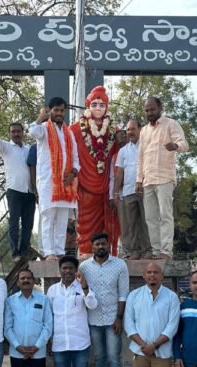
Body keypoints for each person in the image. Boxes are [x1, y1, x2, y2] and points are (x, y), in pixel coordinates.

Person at [47, 255, 97, 367]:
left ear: (76, 271)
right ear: (59, 270)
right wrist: (48, 340)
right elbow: (48, 317)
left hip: (80, 344)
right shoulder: (52, 291)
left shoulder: (83, 288)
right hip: (59, 344)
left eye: (70, 268)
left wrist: (84, 287)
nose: (67, 271)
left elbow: (92, 305)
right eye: (64, 268)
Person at [79, 232, 129, 367]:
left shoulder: (120, 265)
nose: (101, 247)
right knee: (99, 357)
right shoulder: (84, 267)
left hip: (112, 320)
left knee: (114, 358)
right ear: (92, 247)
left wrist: (119, 318)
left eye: (104, 244)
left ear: (109, 245)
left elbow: (123, 295)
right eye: (97, 244)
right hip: (93, 321)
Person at [135, 97, 189, 260]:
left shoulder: (171, 124)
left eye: (152, 109)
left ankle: (166, 251)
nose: (149, 113)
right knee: (150, 217)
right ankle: (156, 251)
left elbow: (185, 145)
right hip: (148, 179)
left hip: (165, 177)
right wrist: (139, 179)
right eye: (147, 110)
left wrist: (176, 146)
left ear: (160, 108)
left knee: (165, 215)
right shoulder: (144, 130)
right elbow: (141, 156)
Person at [69, 86, 120, 255]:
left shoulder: (114, 130)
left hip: (107, 185)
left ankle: (108, 254)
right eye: (94, 104)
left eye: (101, 104)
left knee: (110, 222)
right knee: (85, 222)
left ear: (107, 106)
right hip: (85, 185)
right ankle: (85, 253)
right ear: (88, 105)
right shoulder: (76, 129)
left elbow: (120, 154)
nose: (98, 108)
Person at [30, 97, 80, 261]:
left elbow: (75, 158)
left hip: (66, 183)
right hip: (48, 182)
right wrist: (40, 117)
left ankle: (59, 251)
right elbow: (32, 131)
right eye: (56, 110)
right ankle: (49, 252)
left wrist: (73, 173)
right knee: (48, 217)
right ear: (49, 111)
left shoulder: (69, 133)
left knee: (62, 219)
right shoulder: (43, 128)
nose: (59, 113)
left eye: (61, 110)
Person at [0, 96, 34, 262]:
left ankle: (24, 251)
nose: (16, 134)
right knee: (14, 223)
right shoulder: (6, 148)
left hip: (30, 191)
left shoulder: (29, 149)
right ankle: (15, 253)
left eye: (18, 131)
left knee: (28, 225)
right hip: (14, 190)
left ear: (23, 133)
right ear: (9, 134)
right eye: (13, 131)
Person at [114, 118, 152, 260]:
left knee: (146, 221)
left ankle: (147, 250)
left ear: (140, 129)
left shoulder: (147, 145)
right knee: (129, 224)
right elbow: (119, 172)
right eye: (128, 129)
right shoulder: (123, 151)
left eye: (133, 129)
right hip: (128, 191)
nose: (130, 132)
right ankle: (133, 251)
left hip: (145, 189)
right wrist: (116, 192)